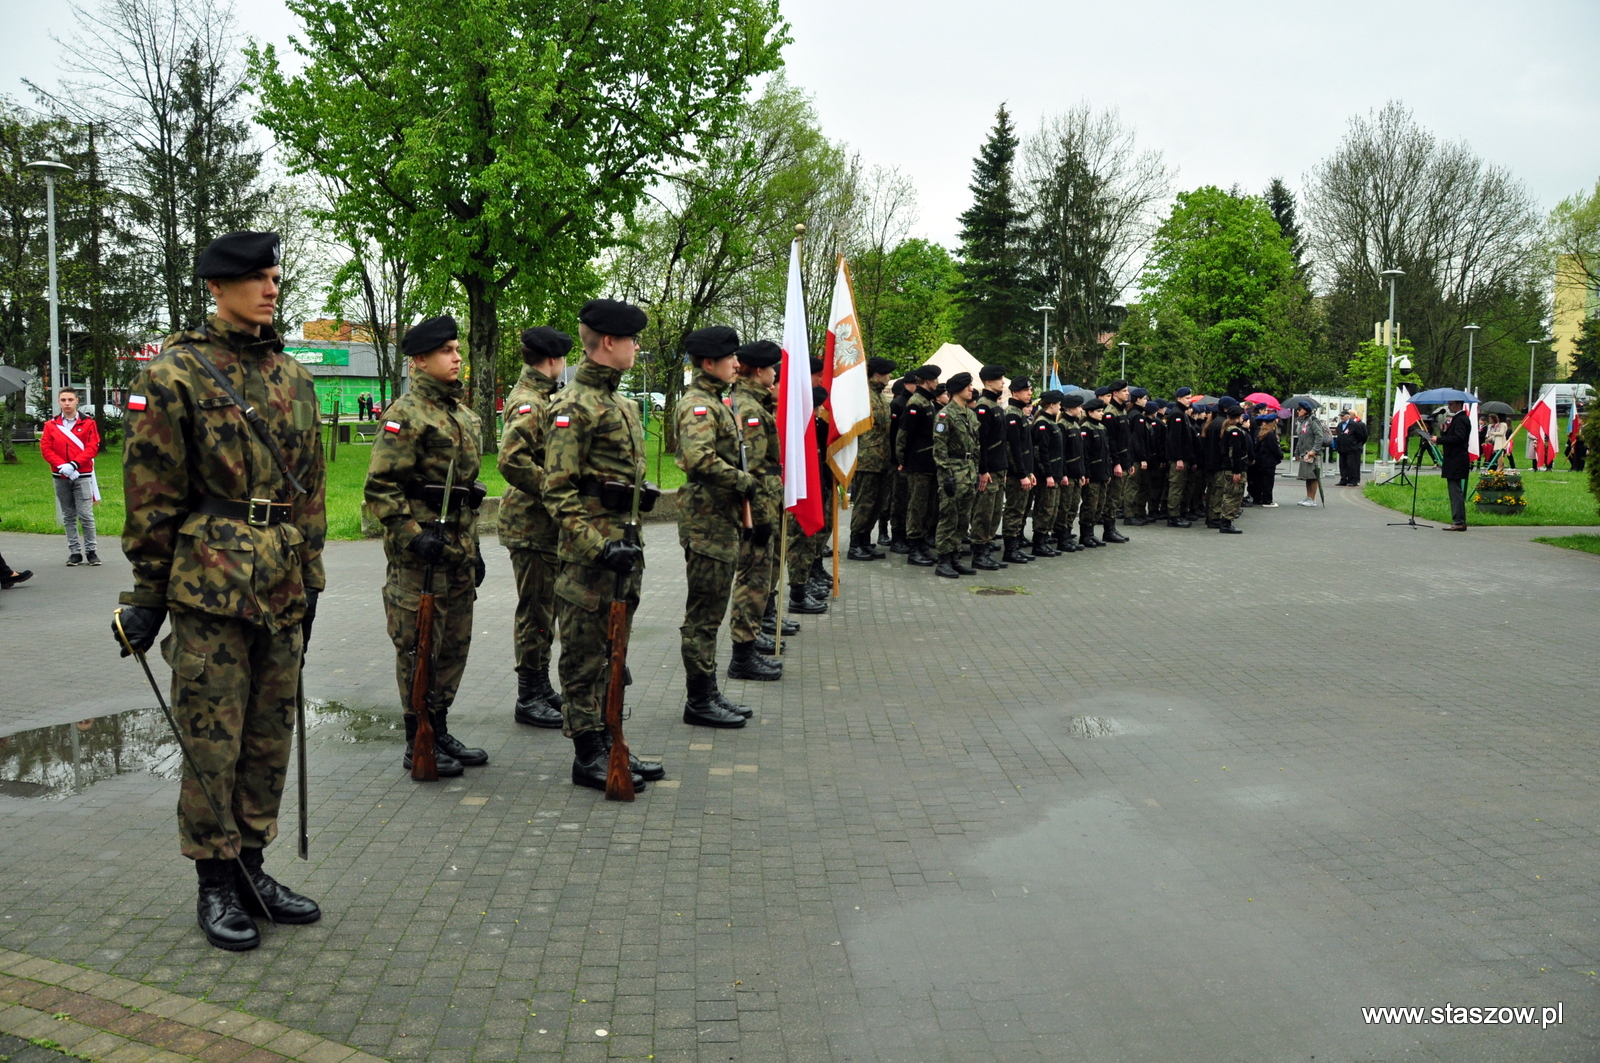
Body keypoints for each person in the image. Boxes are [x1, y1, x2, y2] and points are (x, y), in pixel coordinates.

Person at [113, 230, 324, 952]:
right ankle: (214, 880)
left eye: (274, 276)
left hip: (282, 581)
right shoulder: (176, 375)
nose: (271, 288)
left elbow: (313, 490)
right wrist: (145, 591)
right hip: (209, 586)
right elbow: (151, 492)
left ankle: (253, 869)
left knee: (269, 737)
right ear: (217, 287)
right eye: (257, 277)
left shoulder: (295, 377)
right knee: (214, 740)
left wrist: (313, 574)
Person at [543, 298, 665, 790]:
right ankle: (588, 752)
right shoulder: (573, 405)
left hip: (624, 551)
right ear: (609, 343)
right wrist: (597, 546)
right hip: (589, 556)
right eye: (632, 339)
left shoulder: (623, 404)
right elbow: (558, 489)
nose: (637, 347)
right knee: (583, 653)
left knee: (614, 652)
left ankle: (612, 739)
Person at [365, 315, 491, 778]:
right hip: (420, 558)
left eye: (458, 349)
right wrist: (415, 538)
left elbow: (464, 491)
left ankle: (438, 727)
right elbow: (381, 488)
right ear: (419, 360)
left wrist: (473, 550)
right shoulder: (405, 415)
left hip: (456, 553)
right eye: (447, 351)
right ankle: (415, 736)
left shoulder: (465, 416)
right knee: (419, 647)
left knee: (454, 645)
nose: (458, 357)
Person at [676, 325, 771, 718]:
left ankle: (708, 691)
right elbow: (699, 459)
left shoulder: (719, 401)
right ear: (708, 362)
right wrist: (743, 481)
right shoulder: (699, 404)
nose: (737, 363)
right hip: (706, 522)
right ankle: (699, 699)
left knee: (712, 613)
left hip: (721, 519)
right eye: (730, 358)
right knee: (702, 616)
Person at [498, 326, 571, 729]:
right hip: (531, 525)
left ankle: (540, 686)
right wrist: (554, 488)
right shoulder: (530, 402)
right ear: (552, 360)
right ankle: (529, 694)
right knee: (536, 611)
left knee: (547, 609)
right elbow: (511, 459)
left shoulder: (543, 398)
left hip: (543, 526)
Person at [729, 340, 783, 659]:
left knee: (762, 574)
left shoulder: (755, 403)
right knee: (753, 575)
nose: (775, 374)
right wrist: (761, 517)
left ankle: (753, 633)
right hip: (758, 506)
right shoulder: (748, 408)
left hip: (766, 502)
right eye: (772, 368)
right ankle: (744, 648)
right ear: (760, 370)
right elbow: (753, 469)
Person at [42, 386, 102, 566]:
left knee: (85, 515)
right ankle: (74, 552)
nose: (67, 403)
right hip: (60, 475)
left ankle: (91, 551)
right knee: (68, 515)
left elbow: (93, 447)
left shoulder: (89, 423)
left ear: (77, 401)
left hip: (82, 474)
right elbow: (46, 448)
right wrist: (61, 466)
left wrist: (75, 464)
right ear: (59, 402)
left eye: (70, 400)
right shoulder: (51, 425)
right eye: (63, 400)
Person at [846, 357, 897, 561]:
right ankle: (855, 543)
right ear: (878, 374)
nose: (890, 377)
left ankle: (865, 540)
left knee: (877, 504)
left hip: (881, 459)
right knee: (864, 503)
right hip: (867, 459)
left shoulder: (879, 397)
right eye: (887, 373)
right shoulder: (863, 395)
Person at [931, 372, 980, 578]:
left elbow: (976, 444)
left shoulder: (970, 414)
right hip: (953, 469)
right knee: (949, 516)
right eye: (968, 386)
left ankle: (955, 557)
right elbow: (939, 447)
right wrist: (946, 474)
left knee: (963, 517)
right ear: (958, 389)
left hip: (968, 470)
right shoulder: (945, 415)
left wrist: (976, 470)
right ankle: (943, 559)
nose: (971, 389)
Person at [900, 365, 941, 567]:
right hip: (918, 464)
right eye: (935, 379)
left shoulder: (928, 402)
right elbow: (905, 434)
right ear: (927, 380)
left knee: (928, 507)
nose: (937, 383)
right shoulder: (915, 403)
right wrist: (903, 461)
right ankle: (914, 546)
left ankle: (922, 544)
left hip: (930, 464)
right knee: (917, 507)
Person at [969, 366, 1009, 570]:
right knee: (983, 512)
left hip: (999, 468)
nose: (1003, 382)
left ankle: (987, 546)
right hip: (989, 470)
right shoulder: (983, 407)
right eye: (999, 379)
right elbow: (980, 443)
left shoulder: (995, 405)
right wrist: (982, 470)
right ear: (988, 382)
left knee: (994, 513)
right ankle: (979, 552)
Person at [1001, 376, 1036, 563]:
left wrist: (1029, 472)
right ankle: (1010, 549)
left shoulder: (1019, 413)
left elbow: (1026, 448)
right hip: (1016, 474)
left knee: (1020, 509)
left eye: (1030, 390)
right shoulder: (1012, 415)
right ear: (1015, 393)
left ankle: (1016, 544)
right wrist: (1022, 473)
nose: (1030, 393)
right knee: (1014, 510)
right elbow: (1013, 449)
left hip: (1023, 472)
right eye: (1026, 390)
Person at [1029, 391, 1065, 556]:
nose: (1060, 407)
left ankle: (1045, 538)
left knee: (1052, 508)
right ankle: (1039, 542)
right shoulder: (1043, 423)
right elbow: (1041, 452)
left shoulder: (1052, 422)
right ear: (1051, 404)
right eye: (1058, 403)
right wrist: (1048, 474)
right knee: (1045, 508)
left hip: (1055, 472)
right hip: (1046, 475)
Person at [1430, 399, 1473, 531]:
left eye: (1451, 404)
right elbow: (1454, 436)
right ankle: (1458, 519)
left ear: (1458, 405)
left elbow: (1458, 438)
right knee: (1454, 490)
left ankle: (1459, 521)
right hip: (1454, 459)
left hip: (1456, 459)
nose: (1449, 407)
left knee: (1455, 492)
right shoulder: (1458, 419)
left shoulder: (1461, 419)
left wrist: (1440, 439)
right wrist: (1444, 431)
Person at [1053, 394, 1088, 551]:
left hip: (1077, 472)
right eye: (1079, 407)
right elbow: (1062, 453)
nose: (1081, 410)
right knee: (1064, 507)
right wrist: (1064, 473)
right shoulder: (1063, 425)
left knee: (1073, 506)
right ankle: (1062, 537)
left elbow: (1079, 452)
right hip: (1068, 472)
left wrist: (1082, 472)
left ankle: (1068, 533)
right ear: (1070, 408)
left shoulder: (1076, 425)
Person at [1211, 403, 1248, 533]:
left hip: (1229, 467)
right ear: (1238, 417)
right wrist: (1236, 471)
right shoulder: (1234, 432)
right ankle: (1226, 522)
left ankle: (1226, 521)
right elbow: (1234, 453)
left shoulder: (1228, 429)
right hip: (1234, 468)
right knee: (1233, 494)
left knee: (1231, 494)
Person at [1290, 401, 1327, 506]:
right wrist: (1297, 452)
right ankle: (1308, 497)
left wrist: (1314, 450)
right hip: (1304, 452)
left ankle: (1313, 499)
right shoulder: (1302, 421)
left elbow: (1319, 436)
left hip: (1312, 453)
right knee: (1307, 476)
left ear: (1305, 410)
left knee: (1314, 476)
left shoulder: (1313, 420)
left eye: (1299, 409)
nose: (1298, 411)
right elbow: (1301, 438)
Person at [1249, 415, 1281, 507]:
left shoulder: (1260, 432)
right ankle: (1267, 500)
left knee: (1260, 480)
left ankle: (1258, 498)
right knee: (1268, 481)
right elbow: (1274, 447)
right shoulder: (1271, 434)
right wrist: (1280, 455)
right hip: (1269, 460)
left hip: (1261, 460)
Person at [1334, 409, 1369, 486]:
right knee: (1342, 465)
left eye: (1343, 416)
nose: (1341, 418)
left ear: (1347, 416)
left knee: (1352, 465)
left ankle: (1353, 480)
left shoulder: (1354, 424)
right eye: (1341, 416)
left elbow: (1361, 436)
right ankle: (1343, 479)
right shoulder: (1340, 425)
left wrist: (1356, 444)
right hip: (1342, 448)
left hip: (1352, 449)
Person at [1568, 405, 1588, 472]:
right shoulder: (1580, 427)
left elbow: (1584, 436)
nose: (1578, 421)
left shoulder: (1585, 427)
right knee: (1578, 456)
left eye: (1580, 420)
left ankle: (1581, 468)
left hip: (1583, 443)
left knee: (1582, 457)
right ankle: (1577, 468)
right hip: (1578, 443)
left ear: (1583, 421)